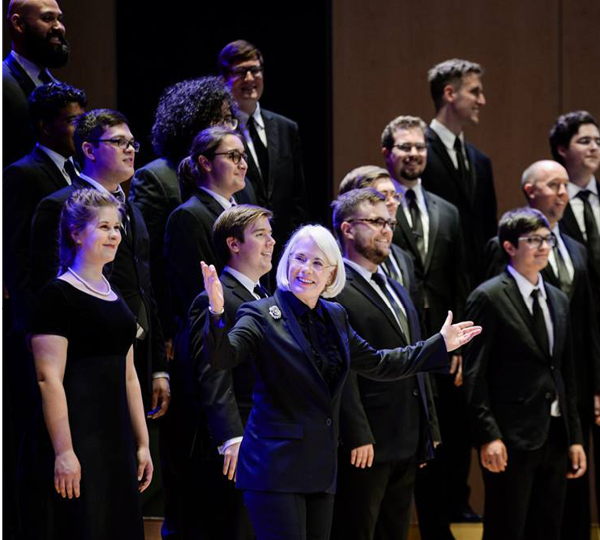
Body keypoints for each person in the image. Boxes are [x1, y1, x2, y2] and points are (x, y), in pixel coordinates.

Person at [200, 224, 481, 540]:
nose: (306, 269)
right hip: (274, 469)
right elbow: (223, 357)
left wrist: (438, 344)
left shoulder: (335, 316)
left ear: (331, 276)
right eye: (299, 258)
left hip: (321, 469)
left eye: (317, 263)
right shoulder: (261, 314)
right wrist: (216, 313)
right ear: (286, 262)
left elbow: (379, 362)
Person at [484, 161, 600, 540]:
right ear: (531, 190)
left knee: (556, 515)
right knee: (511, 520)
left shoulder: (575, 251)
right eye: (554, 185)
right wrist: (488, 432)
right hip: (517, 410)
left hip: (565, 394)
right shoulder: (500, 265)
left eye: (567, 185)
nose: (564, 193)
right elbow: (487, 351)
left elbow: (587, 326)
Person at [28, 189, 152, 539]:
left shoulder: (114, 296)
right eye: (104, 227)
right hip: (79, 437)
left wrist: (141, 443)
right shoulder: (58, 295)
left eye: (117, 227)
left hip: (115, 440)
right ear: (76, 232)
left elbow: (129, 377)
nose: (114, 235)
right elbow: (47, 379)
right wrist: (65, 451)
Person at [464, 207, 585, 540]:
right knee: (507, 527)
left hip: (555, 432)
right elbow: (475, 376)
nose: (544, 246)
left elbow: (565, 373)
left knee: (547, 527)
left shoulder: (558, 299)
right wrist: (488, 435)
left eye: (546, 239)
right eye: (533, 240)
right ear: (510, 247)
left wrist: (575, 438)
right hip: (510, 436)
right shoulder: (487, 296)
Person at [380, 113, 471, 538]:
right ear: (388, 153)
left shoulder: (448, 211)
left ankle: (438, 529)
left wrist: (457, 348)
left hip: (442, 342)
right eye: (405, 147)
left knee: (440, 440)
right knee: (404, 438)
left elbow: (458, 281)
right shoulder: (376, 210)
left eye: (420, 147)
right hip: (398, 342)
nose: (414, 154)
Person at [329, 189, 438, 540]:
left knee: (395, 531)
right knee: (357, 530)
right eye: (376, 222)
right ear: (347, 229)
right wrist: (357, 433)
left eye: (389, 223)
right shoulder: (334, 290)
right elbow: (342, 372)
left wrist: (427, 428)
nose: (387, 230)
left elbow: (416, 359)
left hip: (405, 436)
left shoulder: (396, 287)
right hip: (366, 441)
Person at [162, 125, 249, 538]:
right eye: (232, 155)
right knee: (205, 502)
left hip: (238, 350)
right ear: (203, 163)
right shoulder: (190, 216)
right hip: (208, 353)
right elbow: (192, 296)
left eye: (243, 153)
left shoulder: (242, 210)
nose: (242, 161)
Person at [129, 76, 252, 356]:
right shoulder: (156, 177)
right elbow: (153, 265)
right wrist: (165, 335)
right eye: (216, 119)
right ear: (191, 121)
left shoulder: (239, 183)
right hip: (191, 323)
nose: (225, 126)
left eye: (228, 118)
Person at [186, 204, 275, 539]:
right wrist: (230, 437)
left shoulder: (266, 296)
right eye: (260, 235)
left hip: (268, 437)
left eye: (271, 234)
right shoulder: (213, 298)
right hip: (238, 442)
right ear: (233, 244)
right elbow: (213, 373)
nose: (271, 242)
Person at [4, 81, 86, 333]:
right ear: (45, 126)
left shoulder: (81, 169)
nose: (81, 129)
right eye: (73, 121)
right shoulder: (22, 173)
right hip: (46, 312)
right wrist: (31, 323)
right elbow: (16, 254)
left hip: (80, 304)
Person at [218, 39, 308, 251]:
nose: (249, 78)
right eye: (240, 72)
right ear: (224, 79)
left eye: (255, 70)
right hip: (242, 247)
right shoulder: (220, 133)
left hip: (284, 246)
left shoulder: (287, 128)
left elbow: (298, 196)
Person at [421, 58, 496, 293]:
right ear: (450, 93)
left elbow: (487, 228)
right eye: (475, 92)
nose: (482, 101)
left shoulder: (481, 161)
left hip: (476, 284)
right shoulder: (418, 153)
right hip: (435, 284)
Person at [3, 0, 70, 166]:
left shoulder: (57, 87)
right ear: (18, 23)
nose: (59, 27)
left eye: (59, 19)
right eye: (47, 18)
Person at [337, 165, 418, 296]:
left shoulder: (404, 258)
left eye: (395, 195)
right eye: (383, 196)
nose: (393, 203)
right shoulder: (336, 258)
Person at [549, 111, 600, 319]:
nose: (594, 148)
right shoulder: (548, 206)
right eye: (584, 141)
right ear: (562, 149)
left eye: (598, 141)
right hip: (574, 319)